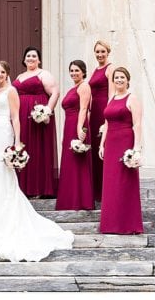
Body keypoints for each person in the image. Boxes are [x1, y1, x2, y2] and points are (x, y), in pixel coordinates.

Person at [0, 61, 74, 261]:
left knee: (2, 166)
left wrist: (17, 141)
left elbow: (15, 117)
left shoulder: (11, 91)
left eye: (2, 71)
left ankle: (5, 207)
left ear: (7, 73)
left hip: (4, 130)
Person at [98, 67, 144, 235]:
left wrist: (136, 148)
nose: (119, 80)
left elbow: (137, 124)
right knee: (111, 184)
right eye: (116, 77)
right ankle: (110, 224)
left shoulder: (132, 99)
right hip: (110, 143)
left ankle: (127, 224)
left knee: (124, 183)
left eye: (122, 77)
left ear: (127, 80)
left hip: (125, 142)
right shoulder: (112, 98)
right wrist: (101, 144)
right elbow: (107, 123)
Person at [12, 46, 59, 197]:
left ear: (39, 60)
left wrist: (47, 112)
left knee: (38, 149)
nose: (31, 58)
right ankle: (23, 187)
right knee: (24, 148)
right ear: (24, 59)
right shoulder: (19, 76)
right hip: (22, 117)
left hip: (37, 117)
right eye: (28, 56)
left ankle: (39, 188)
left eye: (34, 56)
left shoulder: (43, 74)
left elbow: (54, 93)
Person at [56, 60, 93, 211]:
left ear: (83, 72)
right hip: (69, 125)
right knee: (70, 162)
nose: (73, 73)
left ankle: (80, 200)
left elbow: (84, 108)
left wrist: (80, 129)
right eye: (71, 70)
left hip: (78, 125)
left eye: (77, 70)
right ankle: (70, 198)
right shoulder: (74, 87)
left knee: (78, 162)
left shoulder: (84, 86)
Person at [87, 40, 113, 202]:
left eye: (103, 51)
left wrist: (107, 118)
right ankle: (95, 191)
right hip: (94, 111)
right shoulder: (95, 69)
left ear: (108, 52)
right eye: (97, 52)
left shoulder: (110, 68)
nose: (100, 54)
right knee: (95, 150)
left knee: (104, 149)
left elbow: (111, 93)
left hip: (103, 109)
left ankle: (105, 192)